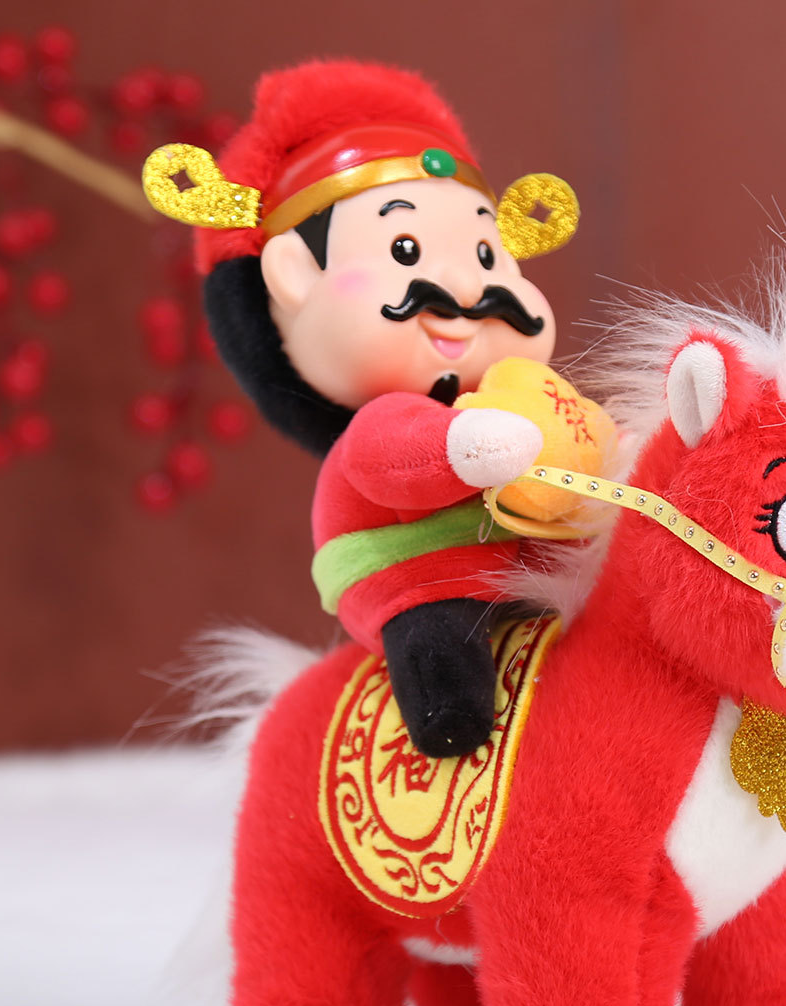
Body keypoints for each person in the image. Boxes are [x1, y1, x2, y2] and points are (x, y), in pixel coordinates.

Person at [144, 59, 602, 755]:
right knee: (438, 631)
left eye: (487, 254)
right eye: (405, 249)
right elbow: (397, 461)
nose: (466, 288)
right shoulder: (382, 423)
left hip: (535, 563)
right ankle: (444, 700)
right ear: (295, 276)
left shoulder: (520, 392)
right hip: (419, 575)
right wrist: (468, 447)